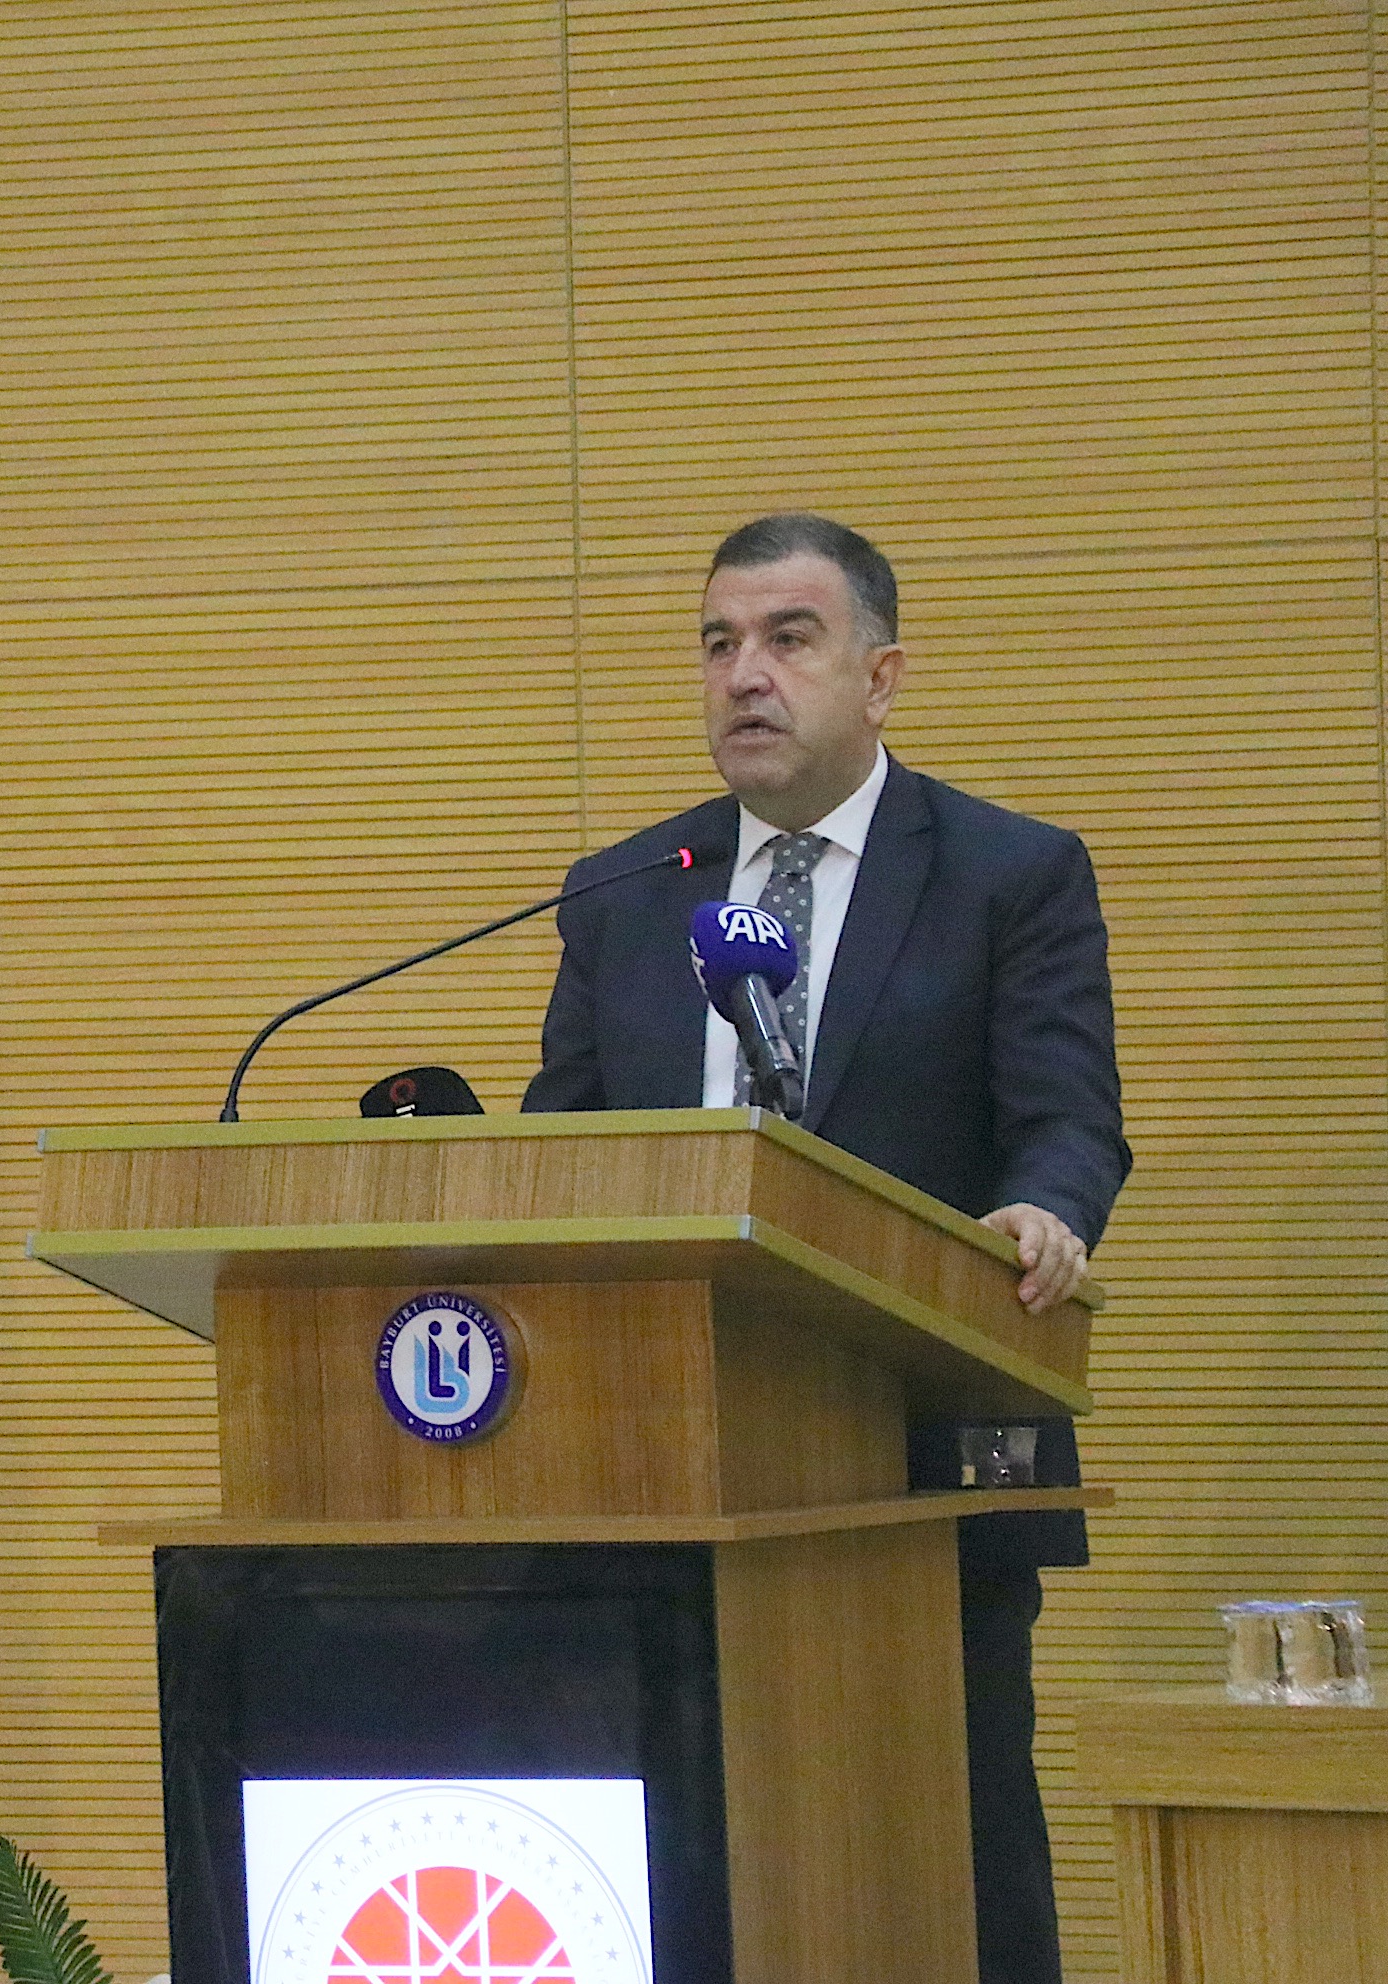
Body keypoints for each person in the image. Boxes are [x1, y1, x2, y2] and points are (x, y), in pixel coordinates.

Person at [521, 511, 1129, 1984]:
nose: (746, 674)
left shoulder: (1008, 873)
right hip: (657, 1458)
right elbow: (561, 1146)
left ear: (881, 674)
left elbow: (1066, 1119)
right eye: (719, 643)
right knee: (688, 1847)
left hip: (923, 1446)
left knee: (956, 1841)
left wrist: (1043, 1212)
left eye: (789, 639)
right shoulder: (627, 891)